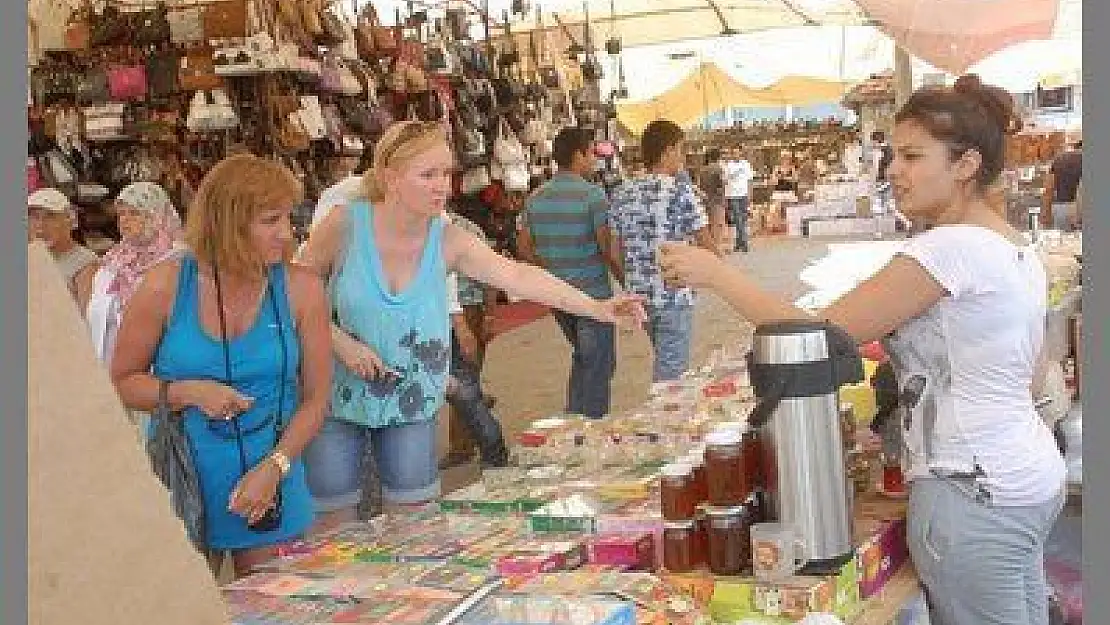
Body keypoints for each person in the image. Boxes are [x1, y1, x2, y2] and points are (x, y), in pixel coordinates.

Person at [659, 75, 1065, 625]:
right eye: (892, 155)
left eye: (912, 156)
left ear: (966, 165)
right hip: (1028, 475)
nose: (892, 170)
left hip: (974, 493)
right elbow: (1035, 374)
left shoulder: (949, 249)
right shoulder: (1012, 245)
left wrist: (716, 275)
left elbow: (813, 339)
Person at [297, 121, 645, 529]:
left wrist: (597, 307)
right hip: (335, 393)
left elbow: (518, 276)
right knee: (332, 520)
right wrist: (340, 344)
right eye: (427, 175)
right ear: (390, 177)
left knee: (414, 521)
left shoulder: (446, 239)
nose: (441, 186)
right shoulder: (345, 225)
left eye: (446, 173)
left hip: (410, 396)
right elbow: (296, 290)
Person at [111, 155, 332, 577]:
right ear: (228, 222)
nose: (286, 235)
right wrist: (188, 392)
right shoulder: (165, 286)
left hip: (272, 481)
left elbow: (317, 399)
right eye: (271, 220)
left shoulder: (302, 288)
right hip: (184, 478)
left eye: (288, 218)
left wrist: (276, 467)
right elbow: (122, 382)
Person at [517, 127, 625, 418]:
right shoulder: (593, 196)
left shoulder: (536, 198)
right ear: (578, 155)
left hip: (558, 297)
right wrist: (628, 283)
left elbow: (524, 248)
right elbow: (608, 250)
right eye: (590, 153)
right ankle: (585, 428)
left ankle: (575, 418)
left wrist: (551, 273)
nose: (593, 160)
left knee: (585, 357)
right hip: (592, 297)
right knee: (598, 365)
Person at [608, 119, 717, 383]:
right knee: (671, 375)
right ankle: (664, 421)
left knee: (665, 358)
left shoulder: (622, 192)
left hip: (640, 297)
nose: (682, 157)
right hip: (674, 295)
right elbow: (705, 242)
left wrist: (632, 281)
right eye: (680, 149)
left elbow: (613, 250)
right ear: (667, 151)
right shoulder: (680, 192)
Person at [87, 182, 184, 366]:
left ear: (156, 216)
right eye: (121, 214)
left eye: (134, 213)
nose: (124, 220)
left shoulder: (177, 259)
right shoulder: (112, 260)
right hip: (109, 362)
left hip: (157, 366)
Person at [28, 188, 99, 312]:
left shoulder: (85, 263)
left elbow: (86, 318)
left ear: (68, 221)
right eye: (34, 217)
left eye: (50, 217)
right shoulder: (31, 254)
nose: (40, 225)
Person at [1041, 140, 1082, 231]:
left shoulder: (1059, 158)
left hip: (1060, 209)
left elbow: (1049, 189)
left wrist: (1045, 214)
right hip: (1080, 210)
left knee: (1062, 242)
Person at [722, 148, 754, 253]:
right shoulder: (728, 165)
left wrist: (750, 194)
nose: (736, 154)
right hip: (733, 195)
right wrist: (726, 196)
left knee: (743, 219)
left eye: (737, 152)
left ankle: (738, 243)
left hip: (743, 194)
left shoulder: (746, 164)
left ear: (741, 153)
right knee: (737, 218)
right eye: (734, 152)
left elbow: (750, 180)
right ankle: (744, 243)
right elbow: (725, 181)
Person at [699, 148, 728, 250]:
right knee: (717, 225)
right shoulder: (719, 169)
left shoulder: (703, 169)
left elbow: (700, 186)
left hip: (705, 200)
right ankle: (716, 247)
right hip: (717, 201)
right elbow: (722, 183)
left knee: (708, 225)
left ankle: (708, 248)